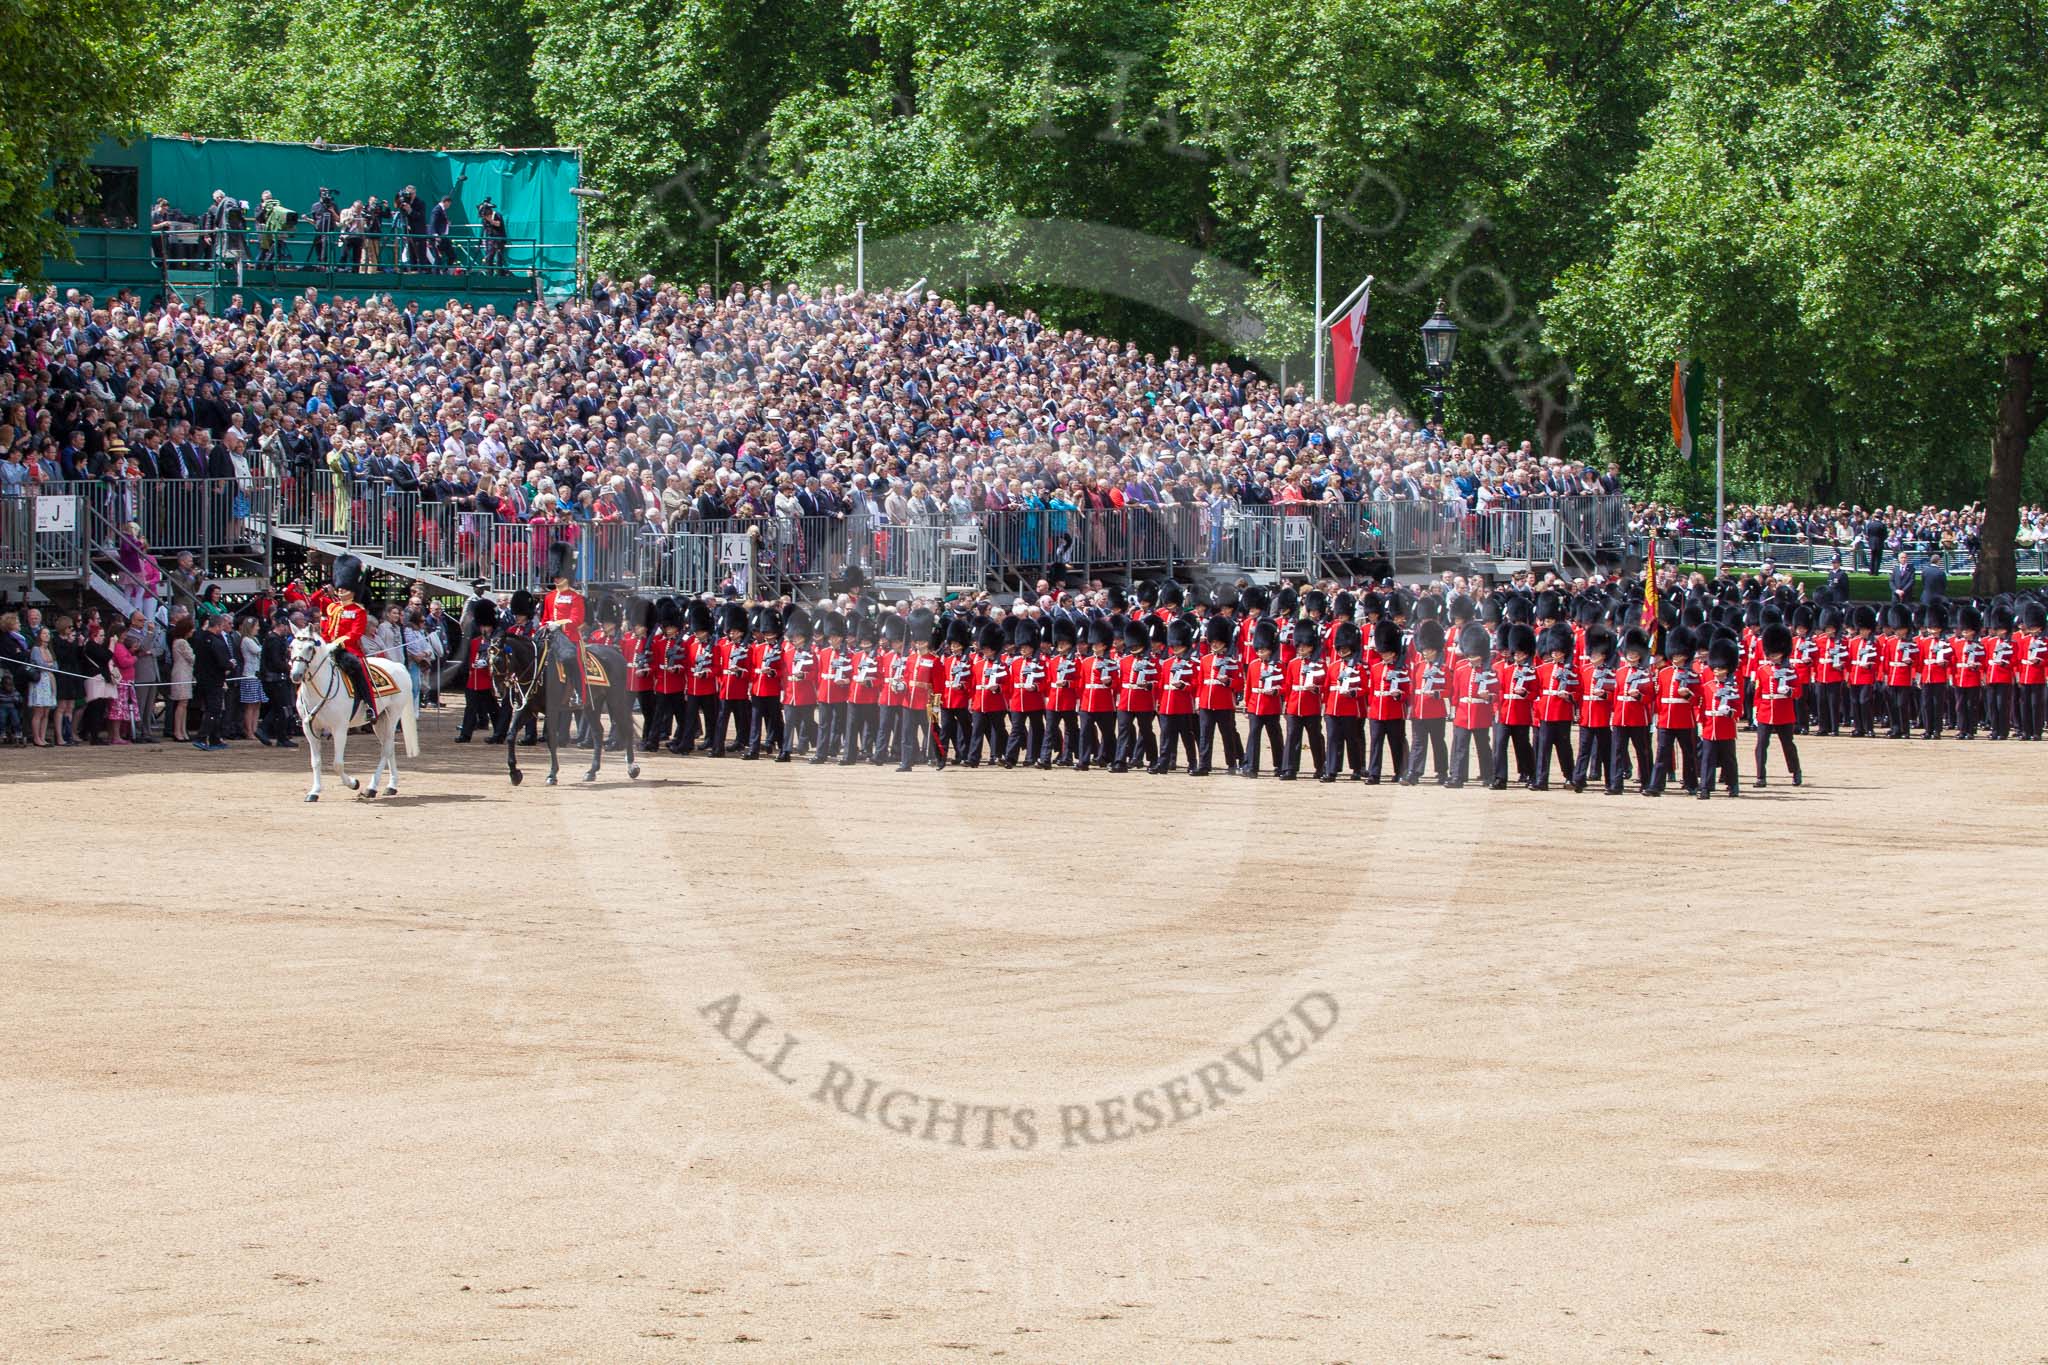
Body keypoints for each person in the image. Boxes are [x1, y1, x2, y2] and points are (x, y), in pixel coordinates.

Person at [318, 553, 379, 720]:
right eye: (338, 588)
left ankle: (370, 706)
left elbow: (355, 634)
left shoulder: (358, 611)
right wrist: (324, 642)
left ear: (352, 590)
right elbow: (327, 629)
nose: (339, 591)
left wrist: (337, 644)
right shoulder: (333, 608)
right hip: (328, 647)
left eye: (343, 588)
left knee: (358, 670)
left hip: (348, 649)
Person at [192, 613, 234, 751]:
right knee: (214, 709)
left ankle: (215, 738)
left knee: (214, 709)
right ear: (217, 626)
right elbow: (223, 661)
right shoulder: (215, 641)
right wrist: (231, 664)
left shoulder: (200, 638)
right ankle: (202, 737)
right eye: (221, 626)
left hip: (202, 679)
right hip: (214, 679)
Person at [167, 617, 195, 741]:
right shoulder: (181, 642)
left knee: (184, 703)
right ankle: (178, 731)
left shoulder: (179, 641)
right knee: (182, 703)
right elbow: (191, 657)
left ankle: (182, 730)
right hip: (181, 673)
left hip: (185, 672)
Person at [26, 627, 56, 746]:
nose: (47, 635)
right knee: (38, 711)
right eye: (44, 633)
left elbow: (56, 666)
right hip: (39, 681)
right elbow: (39, 664)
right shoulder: (36, 649)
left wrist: (49, 665)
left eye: (48, 633)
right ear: (39, 635)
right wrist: (49, 665)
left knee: (46, 712)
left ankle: (43, 737)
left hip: (49, 681)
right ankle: (36, 738)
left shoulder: (49, 650)